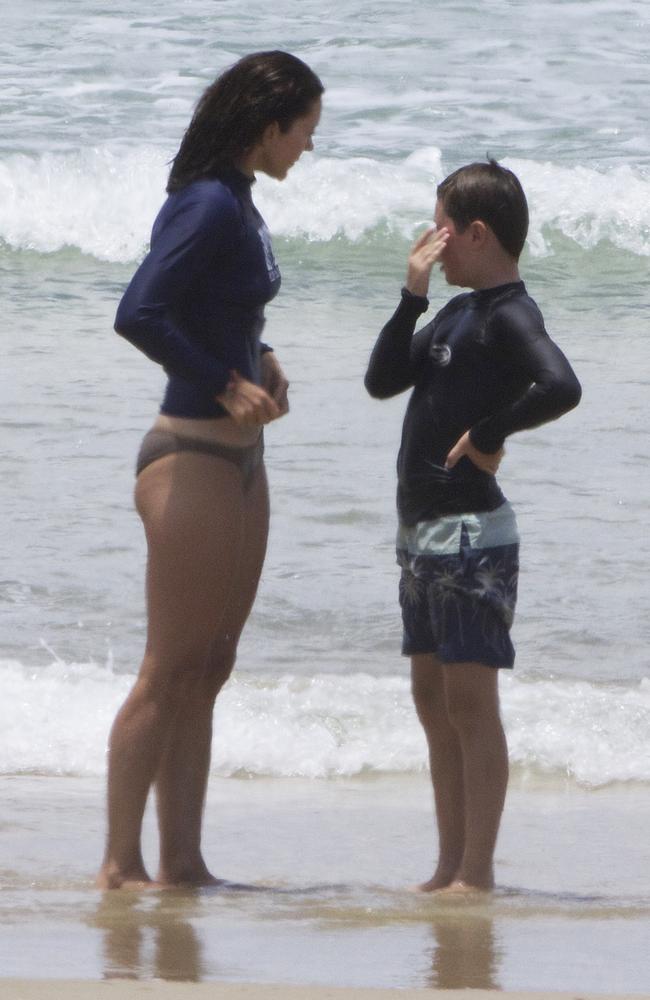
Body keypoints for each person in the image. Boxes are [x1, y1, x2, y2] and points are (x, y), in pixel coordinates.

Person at [97, 51, 324, 889]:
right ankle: (121, 866)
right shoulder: (206, 203)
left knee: (211, 664)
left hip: (241, 460)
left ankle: (184, 863)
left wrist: (258, 353)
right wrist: (224, 382)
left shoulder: (240, 200)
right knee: (169, 667)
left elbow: (215, 304)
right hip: (189, 454)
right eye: (304, 131)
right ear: (269, 127)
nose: (307, 146)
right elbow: (140, 310)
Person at [364, 160, 581, 893]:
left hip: (470, 537)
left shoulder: (509, 313)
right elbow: (382, 379)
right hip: (420, 535)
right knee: (432, 701)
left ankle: (477, 871)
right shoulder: (456, 313)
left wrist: (490, 433)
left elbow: (562, 384)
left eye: (443, 230)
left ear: (478, 233)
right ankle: (448, 863)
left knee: (468, 703)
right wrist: (411, 295)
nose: (434, 241)